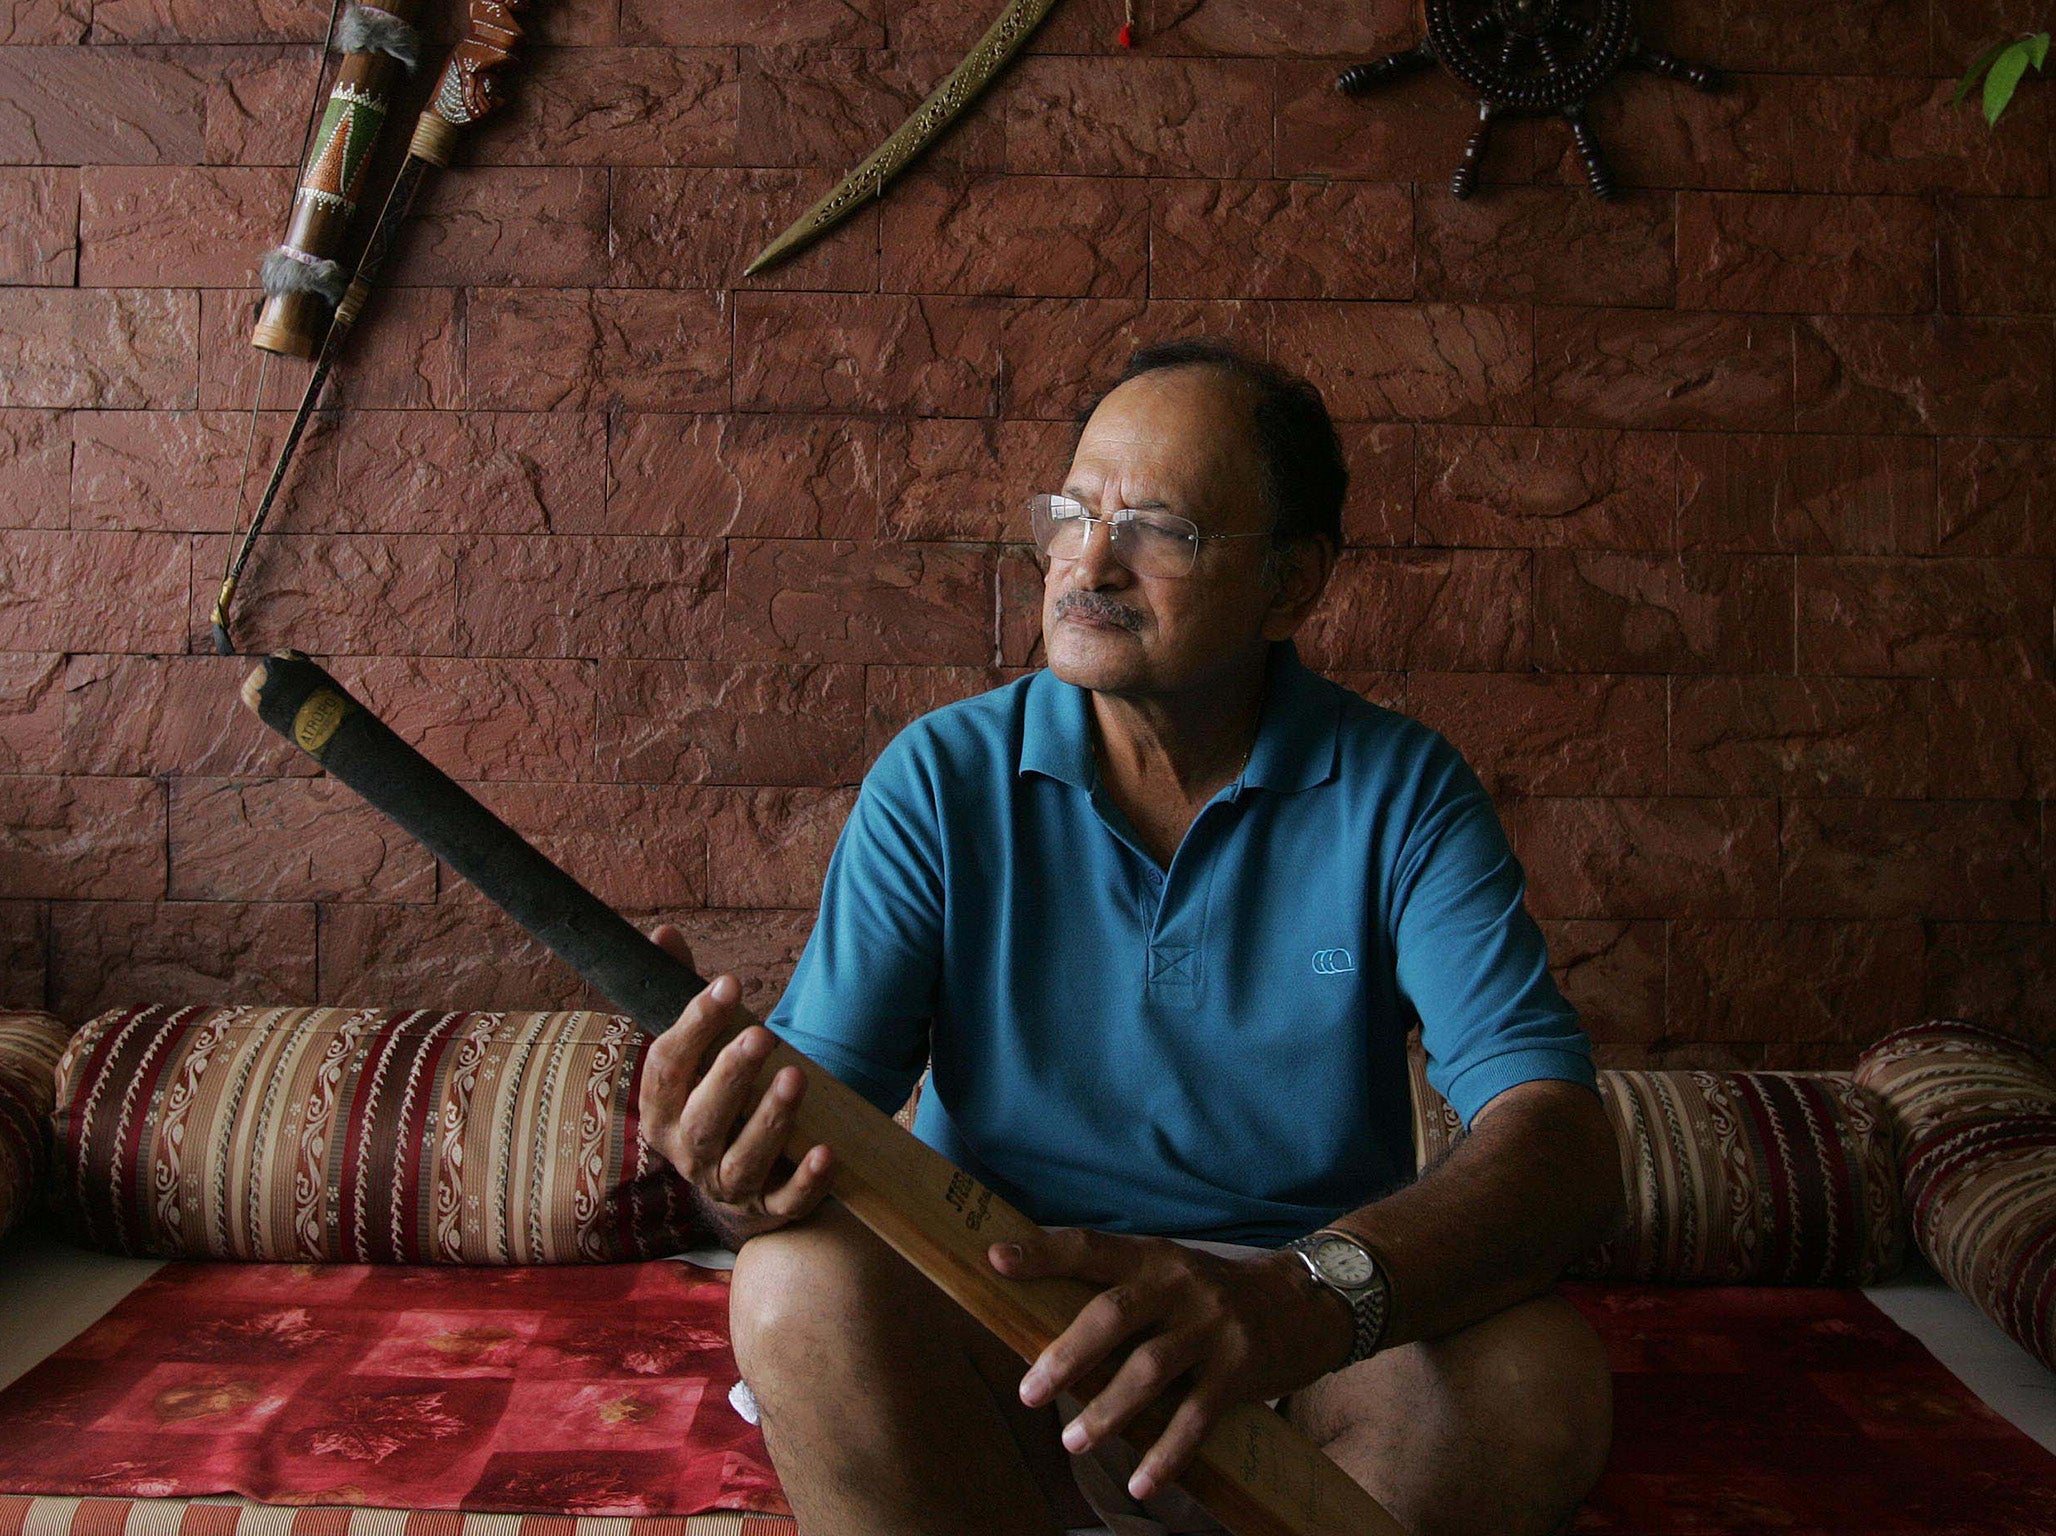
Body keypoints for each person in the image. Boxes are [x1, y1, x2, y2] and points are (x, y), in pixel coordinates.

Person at [639, 339, 1624, 1536]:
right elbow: (808, 1158)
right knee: (792, 1284)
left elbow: (1558, 1141)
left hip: (1291, 1339)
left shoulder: (1400, 792)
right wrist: (730, 1166)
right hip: (1008, 1324)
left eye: (1159, 528)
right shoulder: (942, 781)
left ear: (1291, 584)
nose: (1089, 561)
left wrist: (1299, 1301)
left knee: (1537, 1381)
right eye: (1073, 512)